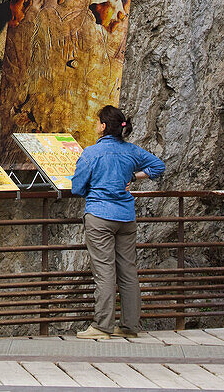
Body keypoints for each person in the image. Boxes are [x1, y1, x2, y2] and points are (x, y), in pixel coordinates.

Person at [71, 104, 165, 339]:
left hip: (100, 217)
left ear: (103, 126)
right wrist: (134, 176)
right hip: (126, 217)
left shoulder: (91, 153)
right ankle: (129, 326)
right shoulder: (131, 151)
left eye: (98, 122)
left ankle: (102, 326)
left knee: (104, 272)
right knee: (128, 272)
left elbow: (77, 187)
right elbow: (158, 166)